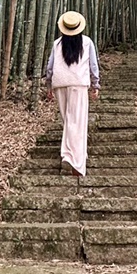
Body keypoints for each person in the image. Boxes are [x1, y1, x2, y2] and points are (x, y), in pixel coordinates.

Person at [45, 10, 100, 177]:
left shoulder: (57, 44)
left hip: (60, 84)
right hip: (78, 84)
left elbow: (49, 66)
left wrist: (49, 86)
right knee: (77, 123)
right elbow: (93, 65)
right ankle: (75, 160)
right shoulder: (87, 42)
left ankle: (72, 154)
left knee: (68, 121)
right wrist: (95, 84)